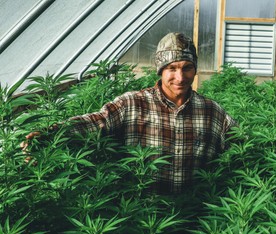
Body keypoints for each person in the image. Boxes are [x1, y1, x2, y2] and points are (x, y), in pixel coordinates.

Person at [21, 32, 237, 194]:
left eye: (187, 67)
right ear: (161, 70)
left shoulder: (212, 112)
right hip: (139, 216)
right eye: (172, 68)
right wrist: (50, 133)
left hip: (195, 219)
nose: (180, 77)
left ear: (195, 69)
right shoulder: (132, 104)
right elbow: (96, 121)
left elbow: (242, 149)